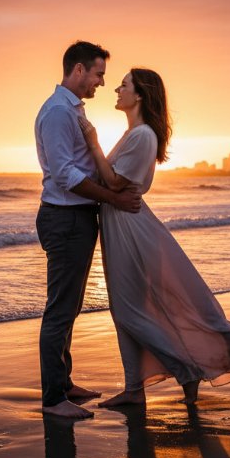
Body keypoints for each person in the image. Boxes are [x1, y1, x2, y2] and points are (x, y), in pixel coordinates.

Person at [77, 68, 230, 406]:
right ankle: (135, 390)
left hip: (128, 226)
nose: (116, 90)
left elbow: (117, 183)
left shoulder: (142, 136)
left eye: (124, 85)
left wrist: (92, 142)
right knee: (125, 309)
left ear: (140, 95)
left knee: (127, 311)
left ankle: (187, 368)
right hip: (120, 222)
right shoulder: (133, 133)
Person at [35, 41, 142, 419]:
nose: (100, 82)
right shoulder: (57, 114)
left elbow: (82, 166)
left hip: (77, 218)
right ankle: (52, 400)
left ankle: (64, 383)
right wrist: (112, 199)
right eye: (98, 74)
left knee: (71, 306)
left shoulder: (73, 110)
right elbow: (65, 175)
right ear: (78, 70)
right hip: (64, 219)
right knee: (60, 309)